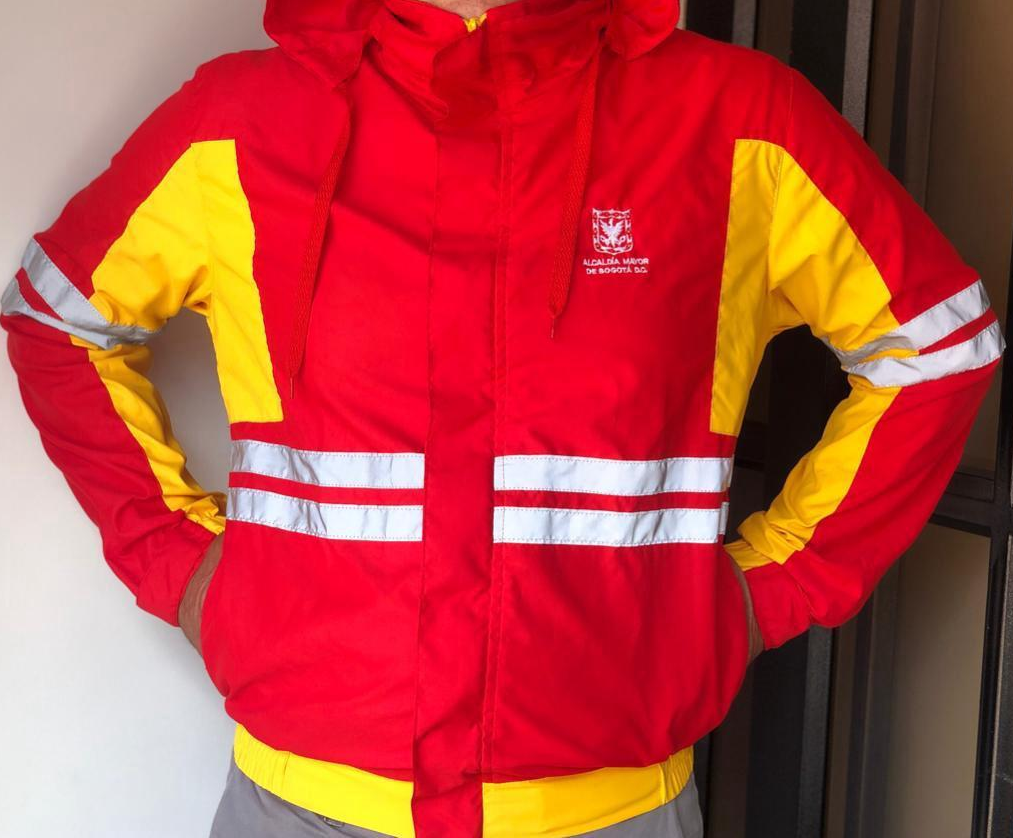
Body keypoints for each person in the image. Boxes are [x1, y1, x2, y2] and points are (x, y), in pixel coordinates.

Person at [2, 0, 1005, 834]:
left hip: (612, 808)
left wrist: (767, 592)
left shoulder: (735, 117)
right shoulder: (242, 116)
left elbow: (938, 347)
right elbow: (57, 319)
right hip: (301, 804)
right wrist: (179, 567)